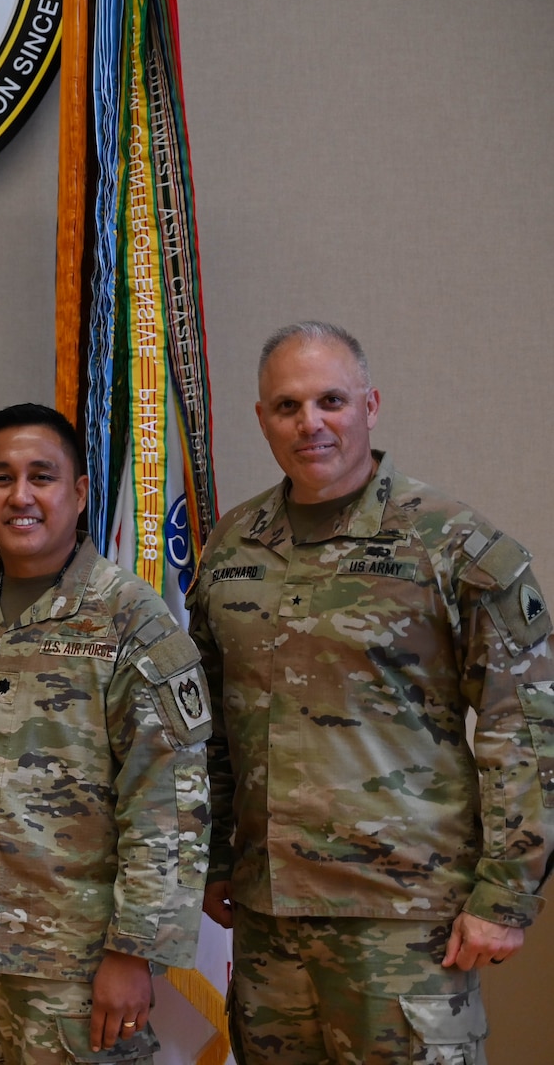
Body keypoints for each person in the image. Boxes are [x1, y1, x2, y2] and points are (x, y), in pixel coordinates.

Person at [190, 321, 554, 1063]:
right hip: (269, 922)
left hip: (405, 920)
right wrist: (214, 860)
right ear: (261, 418)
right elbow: (210, 729)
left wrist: (507, 895)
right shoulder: (230, 548)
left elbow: (527, 724)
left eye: (330, 400)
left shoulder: (452, 543)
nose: (309, 423)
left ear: (370, 405)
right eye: (287, 406)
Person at [0, 403, 212, 1064]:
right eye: (0, 478)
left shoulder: (131, 622)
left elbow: (166, 803)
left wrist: (132, 952)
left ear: (80, 492)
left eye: (42, 475)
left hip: (73, 967)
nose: (21, 495)